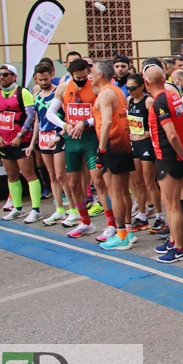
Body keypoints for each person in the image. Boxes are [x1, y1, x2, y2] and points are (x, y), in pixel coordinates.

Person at [46, 59, 109, 238]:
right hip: (72, 139)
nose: (82, 79)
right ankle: (85, 222)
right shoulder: (63, 87)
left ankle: (111, 223)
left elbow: (102, 114)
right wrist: (64, 125)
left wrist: (85, 122)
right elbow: (50, 113)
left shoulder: (95, 87)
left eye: (84, 76)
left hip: (90, 138)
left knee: (97, 181)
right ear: (71, 74)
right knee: (73, 183)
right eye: (78, 77)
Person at [145, 63, 183, 263]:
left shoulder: (160, 101)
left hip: (168, 156)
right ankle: (174, 240)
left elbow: (172, 135)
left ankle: (180, 247)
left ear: (147, 83)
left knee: (171, 204)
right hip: (174, 155)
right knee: (171, 202)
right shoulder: (173, 96)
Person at [91, 60, 136, 250]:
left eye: (92, 72)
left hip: (112, 144)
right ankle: (127, 230)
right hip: (123, 144)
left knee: (115, 192)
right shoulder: (117, 90)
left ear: (100, 74)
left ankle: (121, 235)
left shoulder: (106, 93)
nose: (89, 75)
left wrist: (101, 150)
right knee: (123, 191)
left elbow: (107, 123)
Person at [0, 64, 42, 223]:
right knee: (11, 175)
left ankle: (36, 210)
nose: (2, 77)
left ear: (14, 76)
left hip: (22, 141)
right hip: (4, 142)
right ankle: (17, 208)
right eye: (1, 74)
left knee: (29, 175)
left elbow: (30, 116)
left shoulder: (23, 92)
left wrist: (20, 135)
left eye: (6, 74)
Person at [33, 64, 79, 226]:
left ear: (51, 75)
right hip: (43, 138)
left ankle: (73, 209)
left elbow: (67, 116)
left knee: (61, 176)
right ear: (35, 79)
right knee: (52, 176)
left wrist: (60, 134)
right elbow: (38, 119)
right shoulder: (37, 94)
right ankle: (59, 209)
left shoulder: (58, 92)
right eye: (40, 80)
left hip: (58, 136)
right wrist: (33, 142)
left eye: (46, 79)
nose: (44, 82)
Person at [125, 73, 163, 233]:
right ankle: (142, 215)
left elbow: (157, 124)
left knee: (149, 182)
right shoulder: (129, 100)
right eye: (128, 88)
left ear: (142, 86)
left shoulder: (148, 102)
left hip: (146, 143)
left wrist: (148, 134)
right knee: (138, 183)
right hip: (134, 143)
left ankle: (160, 215)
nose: (130, 91)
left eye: (133, 88)